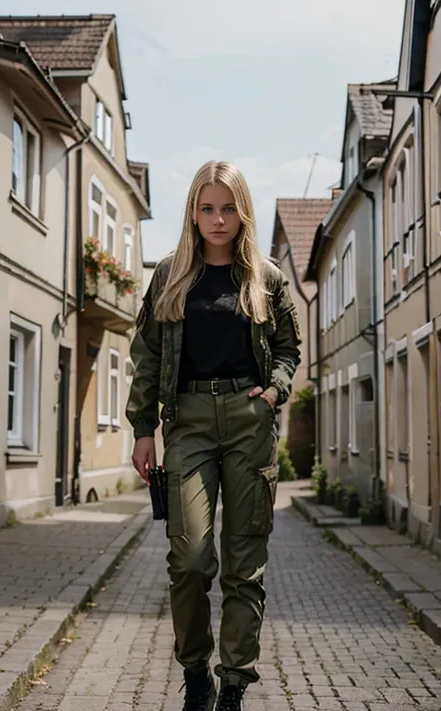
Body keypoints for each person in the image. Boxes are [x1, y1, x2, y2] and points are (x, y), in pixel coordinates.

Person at [126, 160, 301, 711]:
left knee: (244, 564)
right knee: (192, 560)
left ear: (242, 210)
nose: (218, 219)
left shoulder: (266, 278)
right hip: (189, 421)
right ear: (193, 213)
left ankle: (233, 686)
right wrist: (141, 426)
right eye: (207, 208)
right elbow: (148, 355)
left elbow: (289, 348)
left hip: (250, 422)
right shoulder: (170, 274)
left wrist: (274, 389)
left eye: (228, 208)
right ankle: (195, 669)